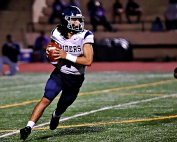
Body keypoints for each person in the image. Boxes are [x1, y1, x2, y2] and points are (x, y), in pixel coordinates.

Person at [20, 6, 94, 141]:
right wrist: (50, 52)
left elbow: (88, 60)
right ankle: (28, 127)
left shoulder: (85, 35)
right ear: (66, 21)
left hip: (75, 78)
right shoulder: (56, 32)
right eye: (74, 20)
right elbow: (52, 47)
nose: (77, 23)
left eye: (78, 20)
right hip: (59, 73)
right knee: (45, 99)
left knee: (63, 104)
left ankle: (56, 115)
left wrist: (66, 55)